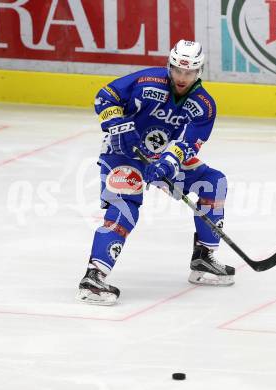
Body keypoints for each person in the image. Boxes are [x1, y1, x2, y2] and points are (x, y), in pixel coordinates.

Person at [77, 40, 235, 305]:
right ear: (169, 66)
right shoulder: (146, 80)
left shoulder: (204, 104)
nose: (182, 77)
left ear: (199, 72)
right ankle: (94, 277)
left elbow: (189, 143)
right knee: (125, 207)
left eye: (189, 72)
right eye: (177, 70)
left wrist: (168, 164)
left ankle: (203, 259)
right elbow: (106, 96)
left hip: (161, 158)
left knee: (212, 182)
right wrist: (119, 126)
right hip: (121, 153)